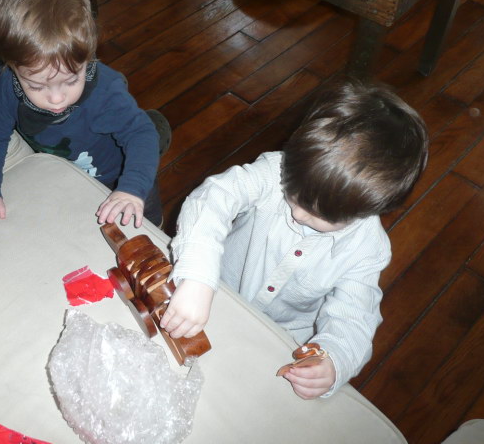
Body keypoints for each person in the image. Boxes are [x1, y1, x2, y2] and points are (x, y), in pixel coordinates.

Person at [159, 78, 429, 399]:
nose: (298, 214)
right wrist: (198, 277)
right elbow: (213, 198)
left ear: (369, 210)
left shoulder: (368, 250)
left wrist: (333, 361)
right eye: (294, 194)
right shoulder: (276, 171)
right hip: (215, 293)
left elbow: (355, 317)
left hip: (278, 339)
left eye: (320, 215)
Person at [0, 0, 167, 237]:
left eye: (71, 80)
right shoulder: (5, 84)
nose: (56, 99)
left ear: (88, 55)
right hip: (70, 171)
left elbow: (139, 134)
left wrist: (131, 190)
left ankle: (156, 136)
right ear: (11, 64)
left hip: (119, 174)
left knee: (147, 219)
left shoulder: (105, 91)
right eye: (36, 85)